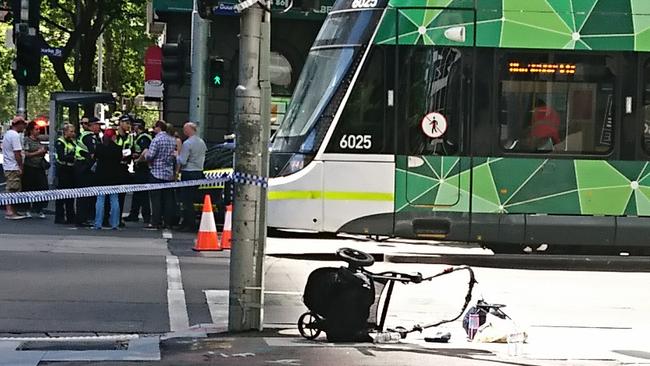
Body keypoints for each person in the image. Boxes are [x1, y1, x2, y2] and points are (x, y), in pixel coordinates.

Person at [143, 120, 177, 230]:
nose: (153, 130)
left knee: (156, 199)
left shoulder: (156, 140)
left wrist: (146, 153)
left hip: (156, 173)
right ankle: (168, 222)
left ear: (159, 128)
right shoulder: (172, 140)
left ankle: (155, 222)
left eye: (154, 127)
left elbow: (150, 156)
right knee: (168, 199)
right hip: (168, 173)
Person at [176, 122, 207, 232]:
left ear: (190, 130)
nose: (184, 132)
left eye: (185, 129)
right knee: (192, 199)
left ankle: (189, 223)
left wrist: (176, 156)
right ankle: (189, 222)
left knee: (186, 200)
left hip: (188, 173)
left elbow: (183, 160)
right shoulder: (202, 142)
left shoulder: (187, 143)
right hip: (199, 172)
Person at [74, 117, 101, 227]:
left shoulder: (84, 135)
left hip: (82, 167)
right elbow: (93, 153)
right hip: (85, 168)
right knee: (85, 195)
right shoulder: (90, 137)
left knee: (84, 194)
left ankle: (83, 217)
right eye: (97, 124)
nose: (99, 127)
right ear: (91, 126)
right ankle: (82, 218)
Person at [93, 128, 122, 230]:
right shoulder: (118, 148)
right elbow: (119, 160)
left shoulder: (99, 147)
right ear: (113, 136)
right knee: (114, 200)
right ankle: (115, 223)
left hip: (101, 176)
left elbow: (95, 157)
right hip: (114, 176)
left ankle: (98, 223)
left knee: (100, 200)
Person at [125, 119, 152, 224]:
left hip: (142, 168)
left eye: (134, 125)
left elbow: (145, 152)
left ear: (138, 126)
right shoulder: (140, 137)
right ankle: (134, 214)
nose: (132, 127)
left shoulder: (143, 138)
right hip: (140, 168)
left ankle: (145, 215)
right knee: (137, 192)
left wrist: (137, 157)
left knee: (143, 193)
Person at [2, 116, 28, 220]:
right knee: (12, 188)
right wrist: (20, 166)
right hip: (13, 166)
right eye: (23, 124)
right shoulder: (14, 136)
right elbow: (17, 153)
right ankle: (9, 211)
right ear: (18, 124)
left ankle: (13, 210)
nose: (24, 127)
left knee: (14, 188)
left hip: (9, 165)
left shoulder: (8, 134)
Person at [21, 121, 49, 218]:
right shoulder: (26, 140)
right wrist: (38, 152)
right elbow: (26, 154)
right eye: (36, 129)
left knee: (42, 187)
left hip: (39, 167)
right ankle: (27, 208)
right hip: (30, 167)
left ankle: (39, 208)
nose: (38, 131)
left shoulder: (38, 140)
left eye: (38, 129)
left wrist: (43, 152)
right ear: (31, 130)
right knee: (29, 187)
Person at [54, 123, 76, 224]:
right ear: (65, 131)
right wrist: (72, 157)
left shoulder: (73, 142)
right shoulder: (60, 142)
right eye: (71, 131)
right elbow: (61, 156)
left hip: (71, 170)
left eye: (73, 131)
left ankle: (71, 216)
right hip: (63, 170)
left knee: (70, 195)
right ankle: (59, 217)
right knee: (61, 195)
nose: (73, 133)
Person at [114, 115, 134, 227]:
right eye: (126, 123)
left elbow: (129, 150)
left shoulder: (128, 137)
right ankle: (112, 217)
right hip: (115, 167)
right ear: (120, 123)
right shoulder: (115, 136)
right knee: (113, 194)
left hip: (124, 167)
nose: (128, 126)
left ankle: (119, 217)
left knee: (121, 195)